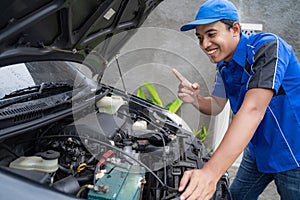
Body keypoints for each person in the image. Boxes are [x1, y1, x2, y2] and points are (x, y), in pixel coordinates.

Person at [172, 0, 300, 199]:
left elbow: (253, 110)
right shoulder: (224, 65)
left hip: (293, 153)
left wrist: (210, 173)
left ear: (235, 29)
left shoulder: (268, 48)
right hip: (257, 150)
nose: (205, 44)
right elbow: (216, 105)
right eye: (200, 37)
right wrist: (195, 99)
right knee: (233, 196)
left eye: (211, 34)